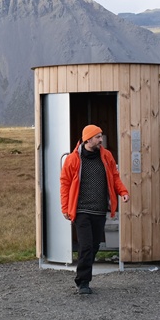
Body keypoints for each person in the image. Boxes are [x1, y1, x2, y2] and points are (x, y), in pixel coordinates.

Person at [60, 125, 129, 295]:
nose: (101, 140)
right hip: (81, 210)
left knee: (94, 245)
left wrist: (123, 192)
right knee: (86, 246)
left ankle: (83, 276)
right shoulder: (73, 159)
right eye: (97, 137)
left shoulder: (106, 156)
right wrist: (65, 208)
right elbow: (65, 184)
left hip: (99, 210)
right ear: (88, 139)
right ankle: (83, 282)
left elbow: (114, 177)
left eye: (101, 136)